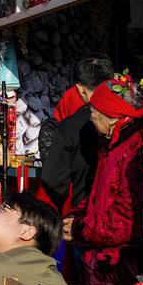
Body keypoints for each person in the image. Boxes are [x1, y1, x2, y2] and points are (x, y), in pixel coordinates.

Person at [63, 74, 143, 285]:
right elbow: (100, 196)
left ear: (113, 117)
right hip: (102, 264)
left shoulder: (135, 151)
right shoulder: (114, 145)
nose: (91, 118)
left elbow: (126, 221)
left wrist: (80, 228)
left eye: (93, 113)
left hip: (119, 269)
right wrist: (75, 216)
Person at [40, 57, 115, 210]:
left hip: (85, 209)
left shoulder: (70, 126)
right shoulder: (128, 118)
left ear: (80, 88)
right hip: (123, 211)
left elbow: (54, 180)